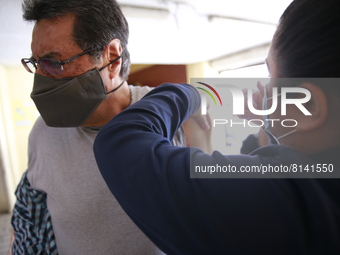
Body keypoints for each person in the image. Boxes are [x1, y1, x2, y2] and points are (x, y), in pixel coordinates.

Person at [94, 0, 340, 254]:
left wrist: (192, 93)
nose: (263, 89)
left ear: (308, 106)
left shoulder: (287, 202)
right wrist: (275, 119)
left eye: (270, 76)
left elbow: (119, 142)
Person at [10, 0, 210, 254]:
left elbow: (211, 219)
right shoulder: (43, 132)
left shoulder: (180, 119)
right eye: (36, 63)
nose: (40, 78)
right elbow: (31, 221)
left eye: (54, 63)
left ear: (112, 59)